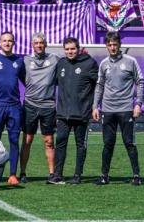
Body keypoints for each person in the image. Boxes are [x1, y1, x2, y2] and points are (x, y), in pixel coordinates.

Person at [93, 31, 144, 186]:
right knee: (108, 143)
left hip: (126, 109)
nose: (113, 47)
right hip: (108, 110)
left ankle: (136, 176)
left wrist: (138, 104)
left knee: (129, 142)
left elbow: (140, 81)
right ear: (106, 46)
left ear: (119, 45)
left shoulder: (131, 61)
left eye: (115, 44)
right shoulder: (103, 64)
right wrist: (95, 106)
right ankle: (104, 176)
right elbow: (99, 86)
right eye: (110, 45)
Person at [53, 36, 98, 184]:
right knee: (60, 142)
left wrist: (94, 106)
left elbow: (99, 85)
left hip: (81, 113)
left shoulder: (89, 63)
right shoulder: (61, 63)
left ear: (78, 49)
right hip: (63, 113)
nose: (70, 52)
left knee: (80, 144)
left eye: (72, 49)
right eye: (67, 49)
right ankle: (58, 174)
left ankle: (77, 175)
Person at [19, 33, 59, 184]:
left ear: (45, 44)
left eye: (41, 43)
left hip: (48, 106)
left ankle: (52, 173)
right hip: (30, 105)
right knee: (27, 139)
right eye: (36, 43)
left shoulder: (54, 59)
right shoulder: (25, 60)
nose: (39, 45)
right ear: (32, 45)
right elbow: (19, 74)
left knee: (48, 140)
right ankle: (22, 172)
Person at [0, 31, 24, 185]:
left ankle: (13, 174)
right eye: (4, 41)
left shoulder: (19, 61)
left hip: (14, 107)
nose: (7, 43)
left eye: (10, 41)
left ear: (14, 43)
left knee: (14, 140)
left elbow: (28, 81)